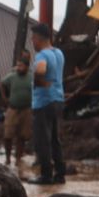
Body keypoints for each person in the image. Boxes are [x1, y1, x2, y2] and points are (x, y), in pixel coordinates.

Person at [29, 24, 66, 184]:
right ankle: (60, 173)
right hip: (58, 99)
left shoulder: (42, 55)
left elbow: (41, 71)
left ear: (38, 38)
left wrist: (39, 83)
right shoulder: (58, 53)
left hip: (43, 101)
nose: (32, 42)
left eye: (33, 38)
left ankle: (46, 175)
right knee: (54, 139)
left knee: (43, 139)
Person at [1, 55, 33, 165]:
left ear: (27, 67)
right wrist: (4, 98)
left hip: (26, 110)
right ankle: (7, 157)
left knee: (22, 136)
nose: (19, 68)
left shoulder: (31, 77)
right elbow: (1, 83)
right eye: (18, 65)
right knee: (8, 135)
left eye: (21, 65)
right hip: (12, 109)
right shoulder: (12, 76)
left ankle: (18, 158)